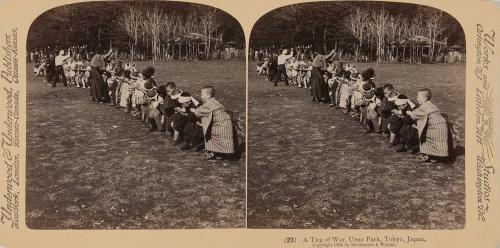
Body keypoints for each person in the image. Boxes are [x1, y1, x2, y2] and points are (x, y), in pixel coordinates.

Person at [191, 86, 235, 160]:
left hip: (219, 124)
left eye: (202, 94)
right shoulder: (215, 102)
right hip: (226, 122)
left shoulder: (207, 104)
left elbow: (197, 113)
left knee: (211, 136)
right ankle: (223, 153)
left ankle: (214, 152)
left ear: (209, 95)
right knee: (223, 139)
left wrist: (194, 111)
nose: (200, 96)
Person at [408, 88, 451, 163]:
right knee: (438, 144)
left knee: (424, 137)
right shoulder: (430, 105)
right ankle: (437, 156)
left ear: (424, 98)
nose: (416, 98)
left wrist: (408, 114)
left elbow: (411, 118)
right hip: (441, 127)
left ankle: (429, 155)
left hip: (435, 129)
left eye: (418, 97)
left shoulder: (423, 107)